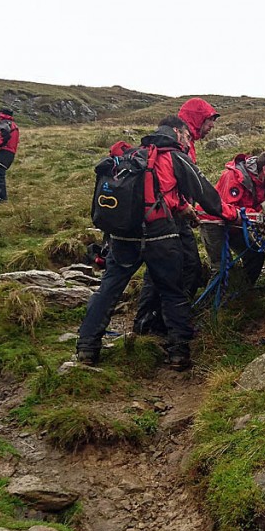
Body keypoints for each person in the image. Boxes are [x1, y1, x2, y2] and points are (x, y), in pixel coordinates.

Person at [78, 117, 218, 370]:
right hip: (160, 235)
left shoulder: (133, 156)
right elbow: (205, 194)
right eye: (187, 135)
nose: (188, 140)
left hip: (122, 236)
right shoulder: (173, 157)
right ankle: (178, 352)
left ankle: (87, 347)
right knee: (172, 291)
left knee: (108, 290)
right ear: (177, 131)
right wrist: (224, 213)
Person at [132, 97, 219, 335]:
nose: (212, 126)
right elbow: (179, 183)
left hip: (165, 213)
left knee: (157, 270)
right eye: (210, 120)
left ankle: (147, 322)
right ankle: (170, 326)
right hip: (170, 216)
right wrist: (190, 207)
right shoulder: (180, 144)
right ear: (197, 118)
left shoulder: (177, 142)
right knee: (188, 266)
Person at [200, 151, 265, 285]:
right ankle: (212, 303)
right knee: (222, 267)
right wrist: (260, 214)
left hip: (238, 224)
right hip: (214, 222)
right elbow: (228, 208)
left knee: (255, 256)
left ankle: (243, 292)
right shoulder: (235, 177)